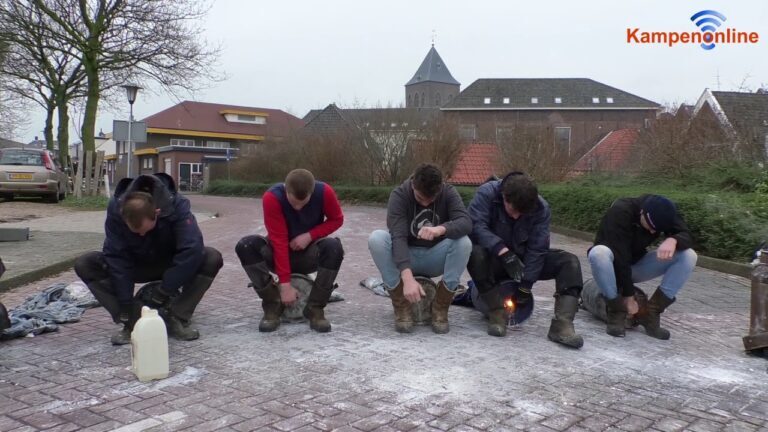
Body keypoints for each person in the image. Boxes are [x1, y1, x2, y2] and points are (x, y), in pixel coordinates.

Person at [75, 174, 223, 345]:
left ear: (157, 213)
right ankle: (132, 321)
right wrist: (125, 302)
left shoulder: (177, 204)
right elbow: (116, 257)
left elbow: (192, 249)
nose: (141, 235)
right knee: (85, 263)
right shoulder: (116, 209)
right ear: (123, 217)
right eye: (136, 232)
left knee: (211, 257)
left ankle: (177, 316)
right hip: (136, 264)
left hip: (170, 263)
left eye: (145, 230)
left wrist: (165, 291)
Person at [466, 172, 584, 348]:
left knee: (569, 262)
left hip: (523, 261)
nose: (516, 217)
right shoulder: (487, 194)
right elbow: (475, 226)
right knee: (473, 253)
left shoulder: (541, 208)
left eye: (522, 213)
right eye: (513, 211)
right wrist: (502, 251)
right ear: (504, 197)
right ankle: (497, 312)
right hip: (493, 258)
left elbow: (538, 248)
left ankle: (562, 325)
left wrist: (526, 285)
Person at [236, 169, 344, 333]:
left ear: (312, 192)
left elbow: (337, 219)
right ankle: (273, 305)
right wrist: (285, 286)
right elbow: (279, 241)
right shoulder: (272, 198)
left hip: (309, 254)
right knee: (246, 245)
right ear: (286, 190)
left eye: (304, 203)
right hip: (277, 253)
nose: (298, 208)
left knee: (334, 247)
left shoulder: (324, 192)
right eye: (294, 203)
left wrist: (309, 235)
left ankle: (315, 308)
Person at [368, 163, 472, 334]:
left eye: (430, 200)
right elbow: (398, 237)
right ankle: (401, 307)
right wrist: (407, 279)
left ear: (440, 189)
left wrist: (441, 229)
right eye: (420, 198)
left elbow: (466, 222)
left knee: (464, 242)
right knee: (377, 238)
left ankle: (440, 308)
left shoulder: (448, 192)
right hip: (405, 256)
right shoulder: (399, 195)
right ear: (413, 184)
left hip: (435, 256)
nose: (425, 203)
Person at [588, 194, 696, 339]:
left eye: (656, 231)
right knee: (598, 253)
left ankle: (651, 313)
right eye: (651, 227)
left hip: (636, 264)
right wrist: (628, 296)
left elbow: (686, 234)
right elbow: (621, 259)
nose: (652, 232)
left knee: (688, 255)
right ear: (642, 213)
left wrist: (673, 239)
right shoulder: (620, 211)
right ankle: (616, 311)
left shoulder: (665, 210)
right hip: (611, 268)